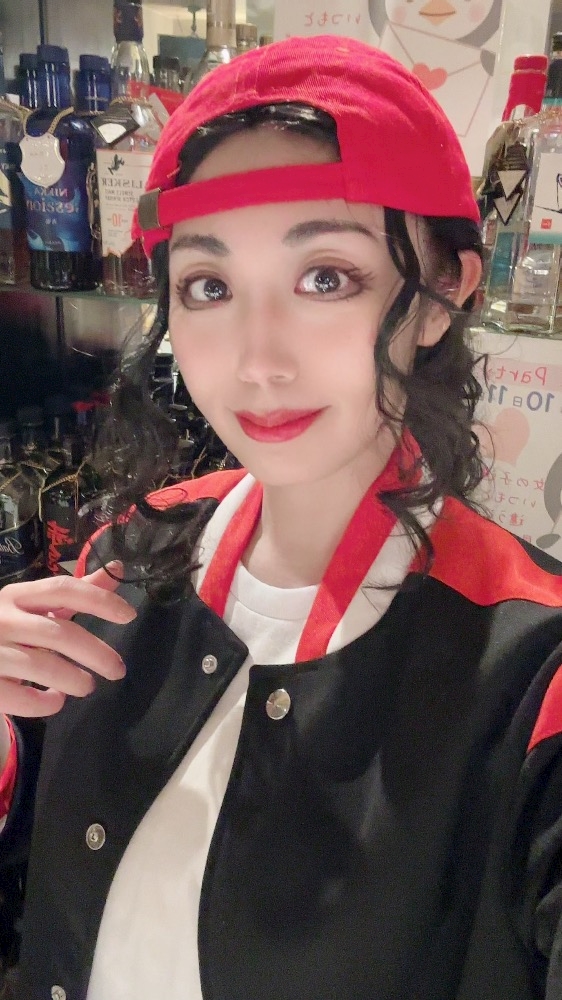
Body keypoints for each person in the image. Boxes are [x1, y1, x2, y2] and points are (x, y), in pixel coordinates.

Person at [0, 33, 561, 1000]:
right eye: (209, 287)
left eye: (325, 277)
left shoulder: (534, 673)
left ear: (443, 293)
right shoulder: (126, 561)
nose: (257, 360)